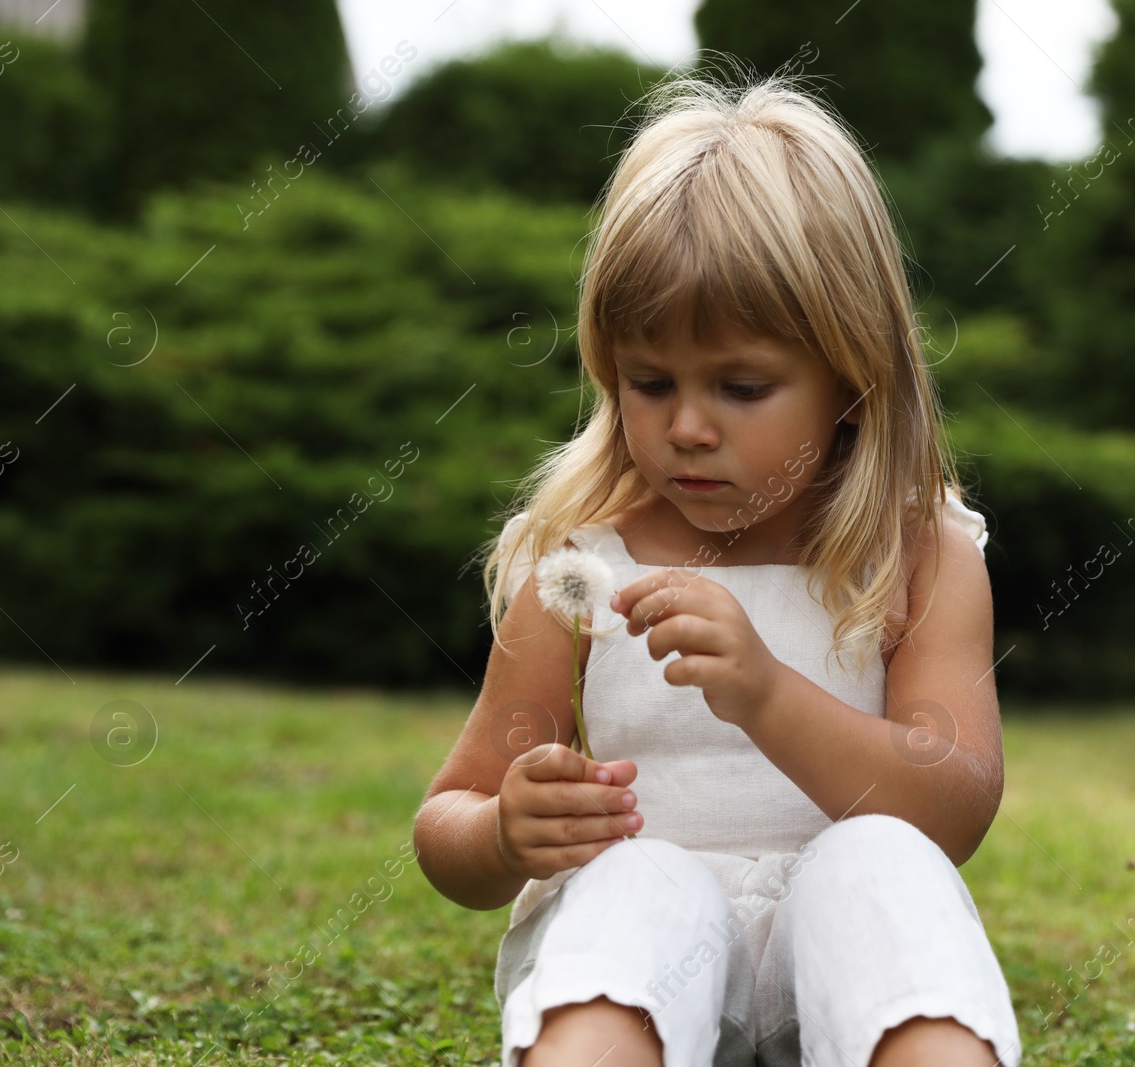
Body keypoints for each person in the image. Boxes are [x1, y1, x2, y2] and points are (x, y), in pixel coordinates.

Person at [412, 63, 1021, 1067]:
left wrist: (768, 693)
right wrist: (504, 833)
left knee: (878, 861)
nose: (687, 427)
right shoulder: (580, 570)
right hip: (647, 960)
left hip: (840, 960)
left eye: (741, 386)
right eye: (649, 381)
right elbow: (451, 816)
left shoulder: (918, 558)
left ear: (853, 376)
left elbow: (949, 811)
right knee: (638, 876)